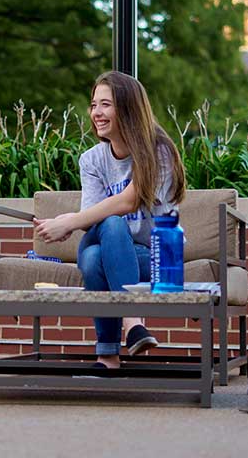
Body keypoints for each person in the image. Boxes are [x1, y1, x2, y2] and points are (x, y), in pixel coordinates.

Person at [34, 71, 186, 369]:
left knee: (94, 258)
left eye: (106, 104)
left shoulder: (159, 152)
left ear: (128, 108)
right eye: (94, 105)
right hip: (106, 238)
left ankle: (107, 355)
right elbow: (95, 220)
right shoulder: (92, 159)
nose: (96, 113)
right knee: (112, 224)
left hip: (154, 256)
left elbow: (129, 200)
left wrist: (70, 221)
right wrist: (78, 220)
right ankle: (133, 324)